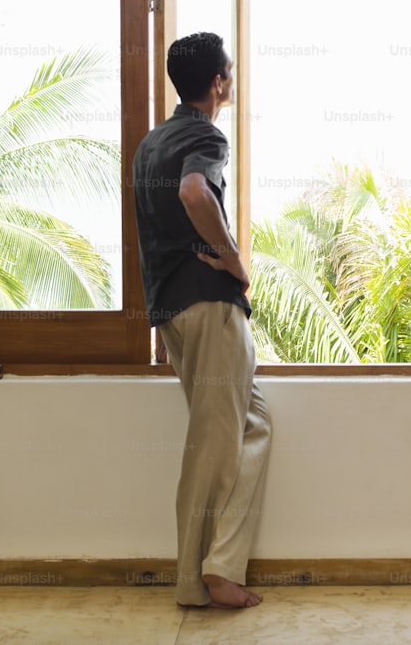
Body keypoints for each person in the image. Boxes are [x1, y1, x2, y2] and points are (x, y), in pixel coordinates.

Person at [132, 31, 272, 609]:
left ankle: (218, 564)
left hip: (173, 313)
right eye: (230, 71)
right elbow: (195, 193)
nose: (233, 79)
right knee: (212, 444)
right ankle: (198, 580)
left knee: (253, 422)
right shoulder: (203, 134)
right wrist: (234, 258)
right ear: (217, 82)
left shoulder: (150, 144)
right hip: (209, 306)